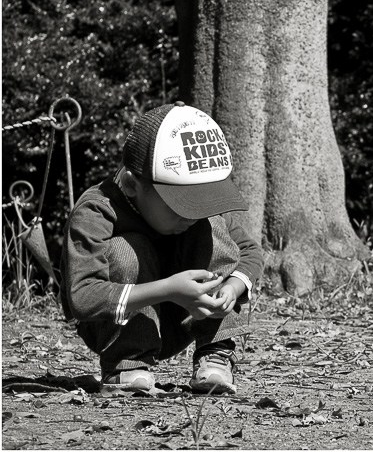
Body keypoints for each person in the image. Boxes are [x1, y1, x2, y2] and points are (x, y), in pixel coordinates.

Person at [61, 101, 262, 394]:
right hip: (114, 326)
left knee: (210, 227)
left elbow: (250, 251)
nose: (189, 214)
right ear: (132, 185)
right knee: (124, 250)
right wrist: (169, 288)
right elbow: (82, 296)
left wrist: (232, 287)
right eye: (178, 205)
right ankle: (127, 367)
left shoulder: (197, 214)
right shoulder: (96, 210)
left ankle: (215, 353)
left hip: (185, 317)